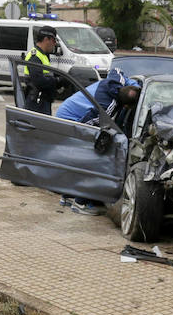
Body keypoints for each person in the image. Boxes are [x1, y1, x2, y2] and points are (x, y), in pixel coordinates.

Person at [55, 68, 140, 215]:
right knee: (92, 159)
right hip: (71, 119)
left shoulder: (116, 81)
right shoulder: (105, 107)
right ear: (126, 106)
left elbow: (117, 70)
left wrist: (136, 86)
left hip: (72, 110)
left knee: (81, 158)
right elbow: (85, 124)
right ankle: (80, 203)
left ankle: (67, 196)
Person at [22, 25, 61, 115]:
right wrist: (57, 81)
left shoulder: (43, 55)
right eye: (53, 40)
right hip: (36, 103)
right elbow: (39, 81)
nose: (54, 43)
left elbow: (47, 75)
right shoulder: (35, 56)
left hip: (42, 101)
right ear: (46, 39)